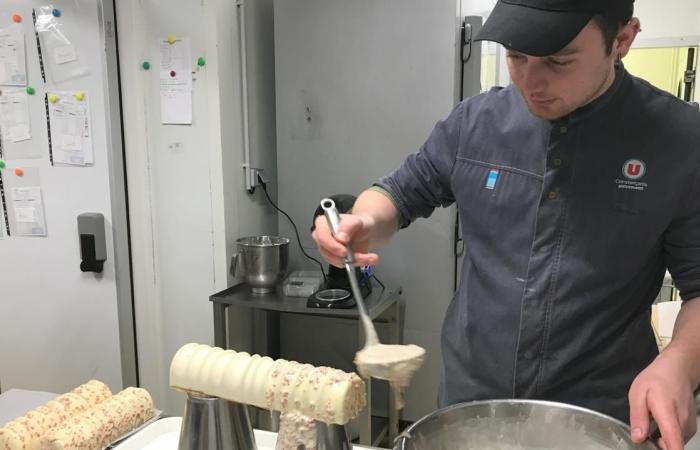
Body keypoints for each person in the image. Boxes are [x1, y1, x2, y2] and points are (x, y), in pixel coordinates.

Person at [311, 1, 700, 449]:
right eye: (516, 56)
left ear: (622, 41)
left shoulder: (680, 141)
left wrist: (681, 363)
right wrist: (363, 220)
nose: (530, 82)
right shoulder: (475, 123)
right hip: (471, 409)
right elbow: (397, 194)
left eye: (558, 60)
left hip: (600, 418)